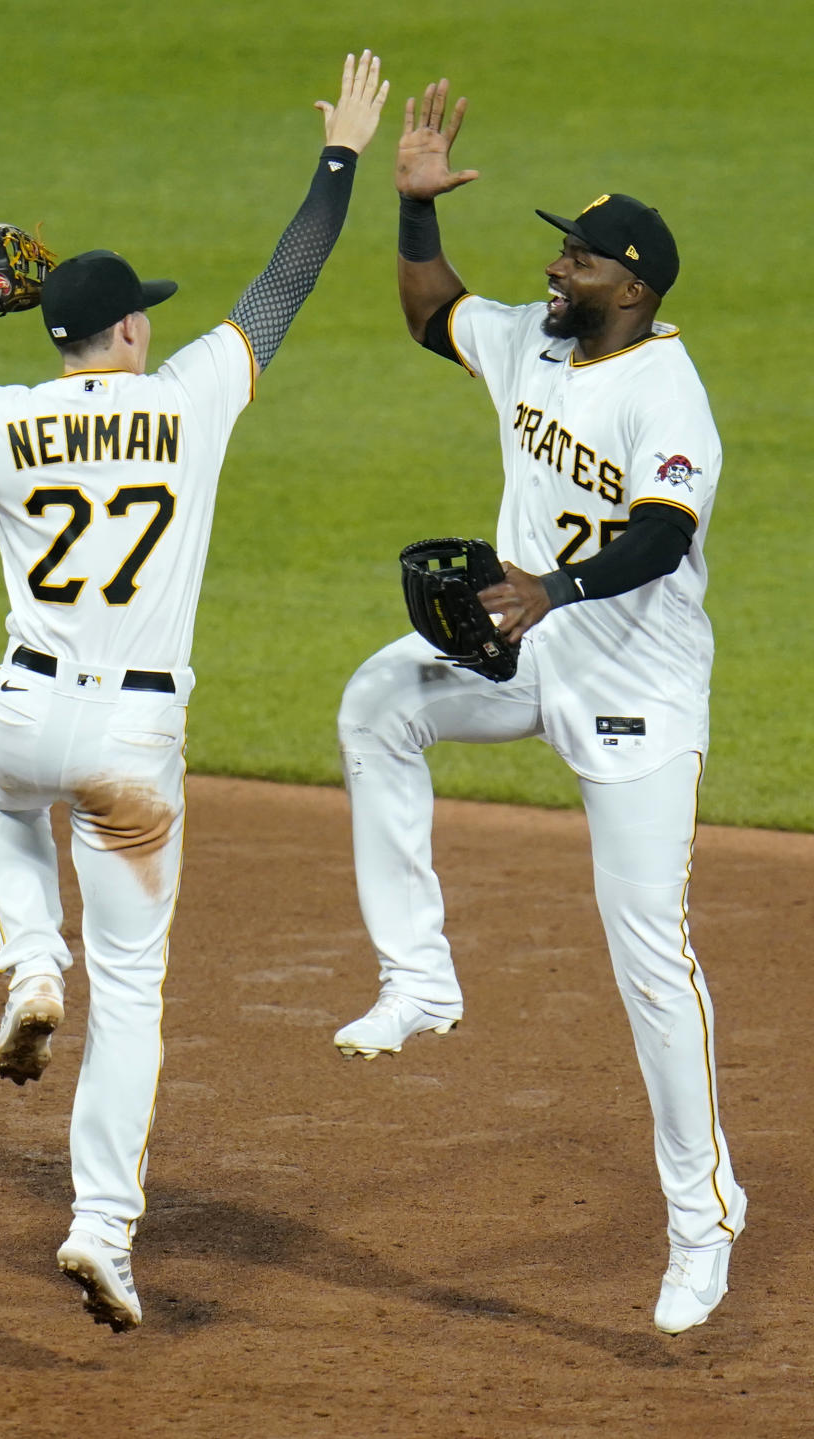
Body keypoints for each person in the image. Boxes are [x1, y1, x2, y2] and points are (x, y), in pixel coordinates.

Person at [0, 51, 388, 1333]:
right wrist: (342, 158)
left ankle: (32, 963)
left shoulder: (4, 416)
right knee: (136, 992)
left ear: (59, 338)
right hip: (137, 743)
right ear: (134, 331)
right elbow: (283, 286)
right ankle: (101, 1228)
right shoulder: (189, 396)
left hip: (24, 708)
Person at [332, 78, 746, 1336]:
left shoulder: (666, 395)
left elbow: (665, 539)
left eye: (577, 252)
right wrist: (410, 212)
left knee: (649, 960)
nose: (555, 264)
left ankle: (702, 1214)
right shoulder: (534, 336)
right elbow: (431, 315)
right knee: (378, 702)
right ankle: (420, 976)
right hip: (530, 654)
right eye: (560, 247)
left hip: (635, 694)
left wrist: (550, 585)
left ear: (633, 282)